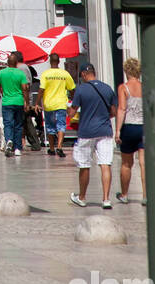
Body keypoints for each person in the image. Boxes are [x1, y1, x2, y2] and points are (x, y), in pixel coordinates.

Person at [69, 64, 117, 209]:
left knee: (84, 165)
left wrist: (68, 109)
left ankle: (82, 197)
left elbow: (72, 113)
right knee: (105, 164)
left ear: (84, 74)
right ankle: (106, 199)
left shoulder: (81, 89)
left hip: (86, 132)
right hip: (105, 131)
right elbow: (114, 112)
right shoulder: (107, 88)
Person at [115, 57, 146, 205]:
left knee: (126, 164)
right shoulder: (145, 87)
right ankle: (146, 196)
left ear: (127, 71)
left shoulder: (123, 87)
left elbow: (122, 109)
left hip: (129, 127)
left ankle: (125, 194)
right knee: (143, 163)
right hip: (143, 127)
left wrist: (117, 131)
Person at [36, 52, 75, 158]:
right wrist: (75, 101)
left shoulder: (45, 74)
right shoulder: (65, 74)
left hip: (48, 105)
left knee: (50, 127)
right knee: (61, 126)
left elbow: (41, 89)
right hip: (61, 104)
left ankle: (52, 148)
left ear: (50, 62)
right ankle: (60, 147)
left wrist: (37, 103)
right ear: (58, 62)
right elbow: (72, 89)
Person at [0, 51, 30, 157]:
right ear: (16, 63)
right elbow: (25, 89)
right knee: (18, 125)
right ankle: (18, 148)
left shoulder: (1, 73)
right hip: (19, 102)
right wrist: (26, 102)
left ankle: (9, 140)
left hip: (6, 102)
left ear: (7, 63)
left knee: (8, 124)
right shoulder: (20, 73)